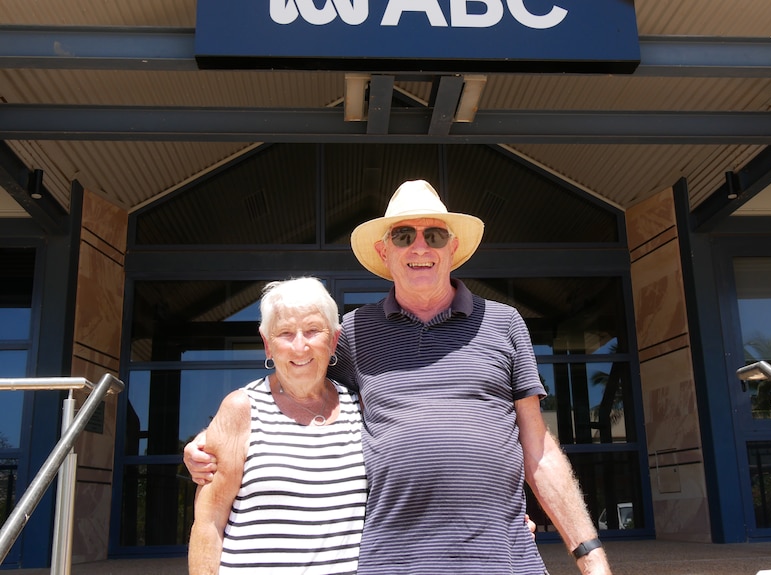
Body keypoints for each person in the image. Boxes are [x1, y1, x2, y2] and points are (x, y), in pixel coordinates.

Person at [187, 180, 612, 575]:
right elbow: (299, 377)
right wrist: (214, 440)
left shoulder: (503, 323)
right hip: (393, 562)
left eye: (435, 235)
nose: (420, 247)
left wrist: (589, 555)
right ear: (385, 251)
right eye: (404, 236)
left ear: (453, 247)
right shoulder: (354, 333)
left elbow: (538, 447)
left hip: (500, 556)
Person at [188, 278, 366, 575]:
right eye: (285, 333)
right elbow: (209, 523)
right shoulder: (241, 409)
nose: (300, 346)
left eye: (312, 331)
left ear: (334, 340)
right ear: (267, 344)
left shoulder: (358, 406)